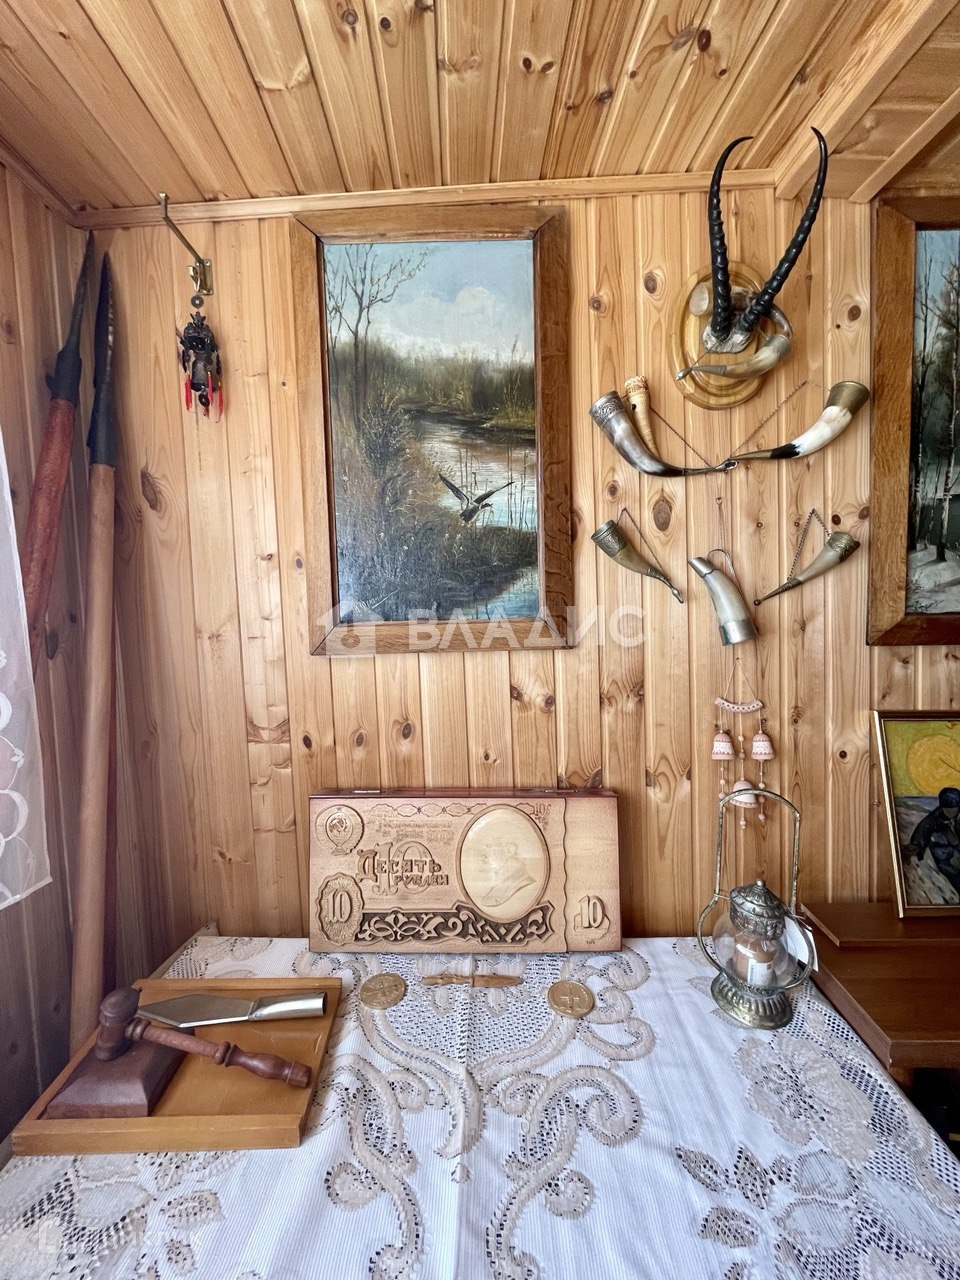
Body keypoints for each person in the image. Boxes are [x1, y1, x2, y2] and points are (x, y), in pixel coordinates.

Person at [905, 785, 960, 899]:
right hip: (944, 850)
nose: (951, 812)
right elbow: (923, 830)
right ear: (942, 807)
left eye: (954, 808)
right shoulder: (935, 818)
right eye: (947, 809)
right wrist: (915, 846)